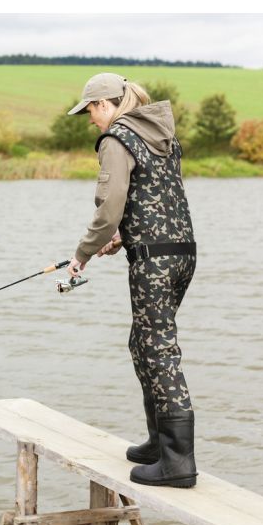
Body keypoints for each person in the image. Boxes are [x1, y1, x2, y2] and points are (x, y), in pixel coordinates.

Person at [65, 73, 198, 488]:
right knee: (144, 341)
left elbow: (110, 205)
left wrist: (83, 253)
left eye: (90, 111)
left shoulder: (116, 139)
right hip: (181, 252)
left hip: (154, 261)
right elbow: (156, 194)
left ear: (105, 104)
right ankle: (160, 443)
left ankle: (178, 463)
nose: (91, 120)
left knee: (157, 348)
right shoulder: (161, 135)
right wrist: (123, 237)